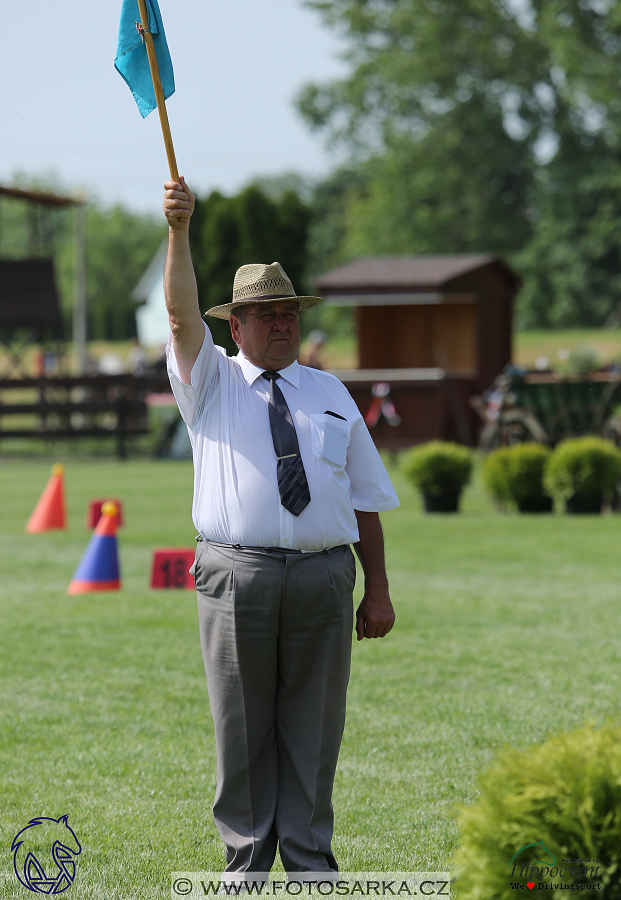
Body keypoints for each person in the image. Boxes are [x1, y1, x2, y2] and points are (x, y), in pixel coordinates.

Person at [162, 177, 399, 882]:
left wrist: (377, 589)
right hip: (238, 573)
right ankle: (244, 863)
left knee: (315, 726)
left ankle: (309, 860)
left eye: (287, 312)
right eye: (262, 315)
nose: (279, 324)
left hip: (326, 576)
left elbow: (364, 497)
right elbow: (178, 319)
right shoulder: (211, 382)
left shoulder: (330, 391)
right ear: (233, 327)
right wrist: (178, 231)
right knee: (240, 726)